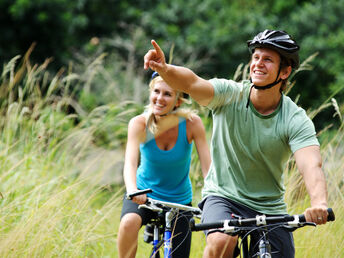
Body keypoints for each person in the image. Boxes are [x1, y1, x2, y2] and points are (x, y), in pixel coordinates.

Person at [143, 30, 329, 258]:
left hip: (269, 208)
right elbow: (191, 83)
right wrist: (164, 69)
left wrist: (319, 203)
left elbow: (311, 164)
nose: (258, 64)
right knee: (221, 240)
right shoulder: (229, 95)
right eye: (256, 57)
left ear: (285, 72)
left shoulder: (294, 118)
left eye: (268, 60)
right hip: (223, 197)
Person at [117, 72, 211, 258]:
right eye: (156, 92)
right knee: (128, 222)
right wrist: (133, 190)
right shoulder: (139, 124)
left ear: (177, 101)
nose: (159, 98)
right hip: (143, 195)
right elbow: (130, 162)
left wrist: (212, 198)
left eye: (167, 94)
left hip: (179, 201)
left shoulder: (192, 124)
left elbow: (208, 167)